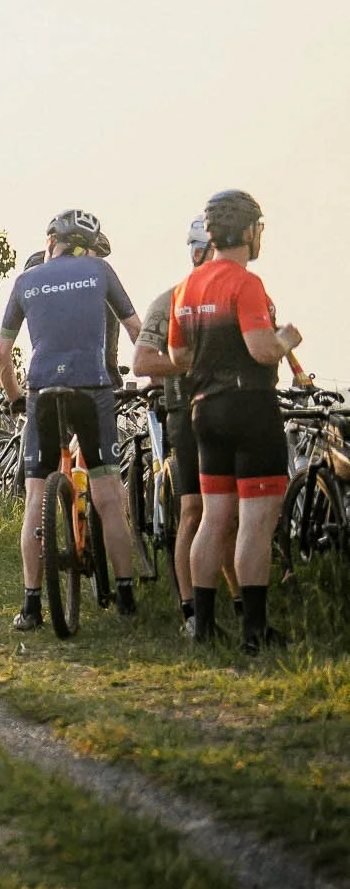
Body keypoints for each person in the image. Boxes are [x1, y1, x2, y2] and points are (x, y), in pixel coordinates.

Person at [0, 209, 143, 629]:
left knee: (35, 499)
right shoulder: (100, 270)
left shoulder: (26, 281)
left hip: (41, 389)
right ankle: (126, 595)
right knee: (109, 495)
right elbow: (136, 330)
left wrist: (15, 399)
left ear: (51, 241)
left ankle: (31, 605)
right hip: (92, 388)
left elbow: (1, 356)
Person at [169, 189, 301, 651]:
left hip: (204, 409)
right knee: (255, 522)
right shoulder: (247, 283)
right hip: (250, 408)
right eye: (259, 228)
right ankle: (254, 631)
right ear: (247, 231)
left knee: (214, 519)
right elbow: (262, 350)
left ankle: (202, 626)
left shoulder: (188, 287)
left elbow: (178, 355)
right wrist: (288, 337)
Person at [131, 218, 215, 637]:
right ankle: (190, 610)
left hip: (229, 411)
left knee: (231, 513)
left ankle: (228, 603)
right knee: (193, 510)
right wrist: (186, 366)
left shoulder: (239, 293)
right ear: (198, 252)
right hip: (184, 412)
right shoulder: (169, 301)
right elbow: (142, 363)